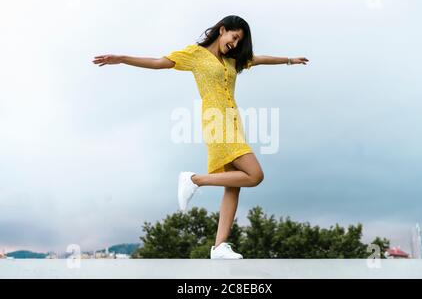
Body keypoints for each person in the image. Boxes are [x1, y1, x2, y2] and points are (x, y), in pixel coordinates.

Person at [92, 15, 308, 259]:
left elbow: (257, 60)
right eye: (234, 37)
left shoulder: (231, 61)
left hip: (233, 123)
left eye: (239, 42)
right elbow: (158, 62)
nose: (235, 44)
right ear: (223, 30)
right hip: (217, 123)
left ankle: (219, 247)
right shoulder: (195, 54)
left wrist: (289, 60)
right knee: (255, 175)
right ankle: (195, 180)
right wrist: (121, 59)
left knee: (233, 186)